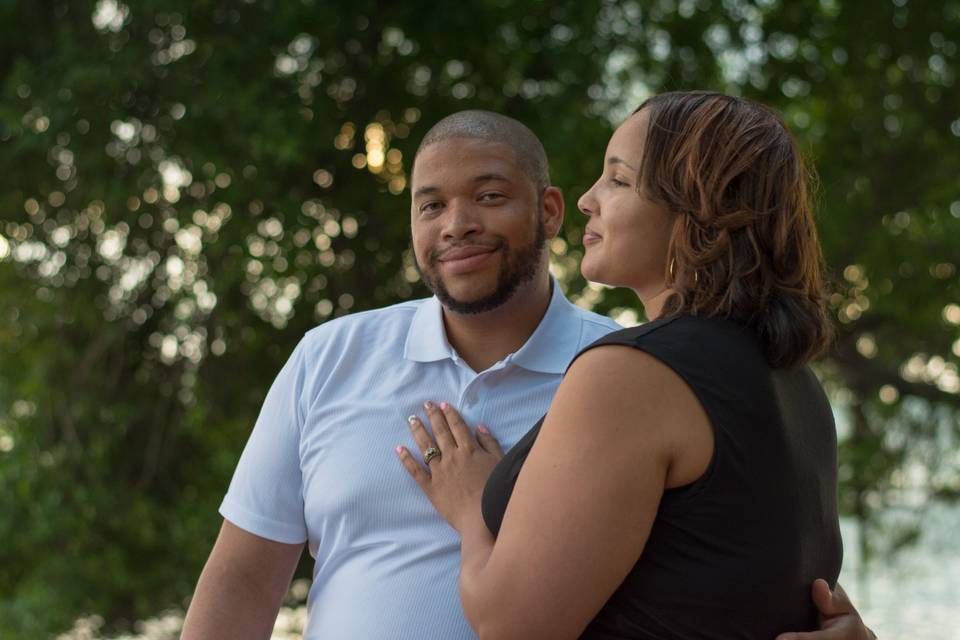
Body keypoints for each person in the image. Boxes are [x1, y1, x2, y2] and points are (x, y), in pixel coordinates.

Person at [182, 109, 874, 639]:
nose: (456, 224)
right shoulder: (328, 358)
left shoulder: (628, 373)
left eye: (487, 196)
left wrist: (474, 505)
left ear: (545, 211)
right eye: (431, 205)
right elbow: (242, 581)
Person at [397, 94, 865, 639]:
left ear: (696, 208)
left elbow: (511, 627)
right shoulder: (796, 383)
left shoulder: (631, 374)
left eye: (617, 180)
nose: (588, 200)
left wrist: (473, 509)